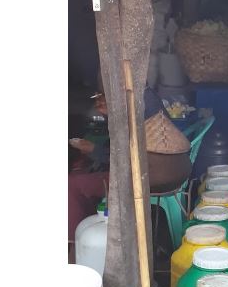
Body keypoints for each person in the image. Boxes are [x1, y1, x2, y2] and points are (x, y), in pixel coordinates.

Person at [68, 84, 191, 244]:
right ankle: (91, 230)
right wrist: (111, 115)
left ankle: (75, 242)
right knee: (82, 171)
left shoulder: (141, 104)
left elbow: (127, 158)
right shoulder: (144, 97)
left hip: (142, 177)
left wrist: (94, 149)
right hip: (154, 171)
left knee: (73, 183)